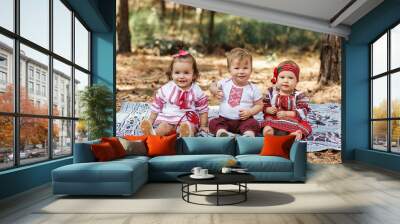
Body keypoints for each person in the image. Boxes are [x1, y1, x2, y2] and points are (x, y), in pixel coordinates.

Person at [140, 50, 209, 137]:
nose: (181, 76)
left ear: (194, 75)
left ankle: (185, 135)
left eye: (186, 73)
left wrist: (204, 125)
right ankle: (152, 134)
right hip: (169, 119)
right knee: (163, 127)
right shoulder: (167, 88)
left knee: (190, 127)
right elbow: (157, 106)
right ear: (171, 74)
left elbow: (203, 109)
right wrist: (150, 121)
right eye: (177, 73)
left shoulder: (196, 90)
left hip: (187, 120)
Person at [209, 48, 263, 137]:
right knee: (213, 122)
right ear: (229, 69)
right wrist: (215, 91)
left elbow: (259, 105)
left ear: (251, 69)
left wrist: (250, 112)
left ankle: (248, 135)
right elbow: (212, 85)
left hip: (244, 121)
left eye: (245, 68)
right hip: (224, 119)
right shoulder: (225, 83)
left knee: (254, 124)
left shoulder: (253, 88)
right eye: (237, 68)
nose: (241, 72)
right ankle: (222, 133)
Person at [262, 60, 312, 140]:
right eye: (282, 77)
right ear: (277, 79)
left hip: (292, 121)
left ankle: (293, 135)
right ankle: (269, 133)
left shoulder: (299, 95)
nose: (286, 80)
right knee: (267, 125)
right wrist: (268, 109)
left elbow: (304, 110)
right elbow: (264, 104)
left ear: (296, 81)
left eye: (290, 78)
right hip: (274, 120)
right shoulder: (271, 92)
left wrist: (288, 113)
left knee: (305, 126)